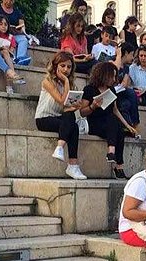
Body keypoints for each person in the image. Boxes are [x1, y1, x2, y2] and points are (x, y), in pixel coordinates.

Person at [35, 51, 86, 180]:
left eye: (69, 67)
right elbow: (62, 100)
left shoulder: (72, 84)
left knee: (72, 123)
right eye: (62, 66)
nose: (66, 69)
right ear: (56, 66)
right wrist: (66, 82)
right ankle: (69, 161)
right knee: (71, 124)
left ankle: (70, 161)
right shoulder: (48, 81)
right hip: (43, 118)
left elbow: (67, 107)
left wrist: (76, 106)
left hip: (60, 119)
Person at [80, 62, 135, 179]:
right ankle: (118, 164)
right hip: (94, 122)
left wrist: (127, 125)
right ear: (103, 75)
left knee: (119, 127)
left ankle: (113, 155)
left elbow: (115, 110)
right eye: (112, 76)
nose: (114, 79)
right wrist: (93, 106)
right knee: (115, 125)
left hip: (109, 124)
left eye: (115, 76)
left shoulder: (112, 90)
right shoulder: (89, 89)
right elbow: (82, 112)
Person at [0, 0, 30, 66]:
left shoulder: (17, 12)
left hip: (13, 34)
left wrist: (20, 30)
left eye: (11, 0)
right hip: (0, 34)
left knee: (23, 39)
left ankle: (20, 59)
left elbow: (22, 26)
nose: (9, 2)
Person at [0, 14, 24, 94]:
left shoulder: (11, 37)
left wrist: (7, 49)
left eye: (5, 24)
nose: (3, 26)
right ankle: (14, 76)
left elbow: (12, 52)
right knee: (4, 52)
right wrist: (1, 48)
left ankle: (9, 87)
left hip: (6, 57)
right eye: (1, 24)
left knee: (5, 54)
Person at [113, 41, 139, 131]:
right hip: (111, 91)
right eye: (131, 54)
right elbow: (114, 70)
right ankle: (135, 124)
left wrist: (122, 85)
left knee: (126, 103)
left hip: (120, 92)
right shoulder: (112, 61)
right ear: (126, 53)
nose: (132, 58)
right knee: (130, 93)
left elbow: (125, 83)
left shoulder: (127, 67)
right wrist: (119, 55)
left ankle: (129, 127)